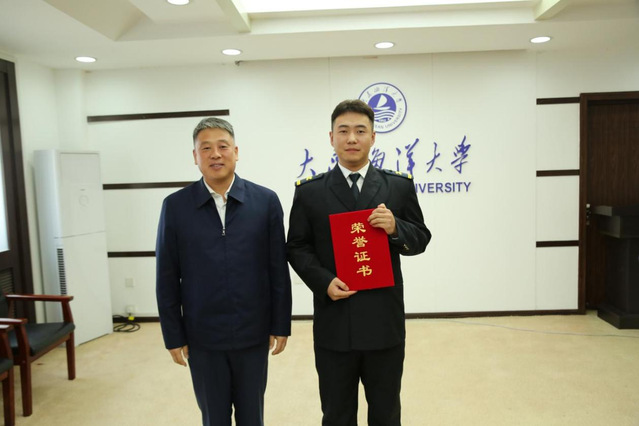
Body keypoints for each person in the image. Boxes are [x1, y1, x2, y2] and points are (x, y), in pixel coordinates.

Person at [286, 100, 431, 425]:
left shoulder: (398, 186)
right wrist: (323, 281)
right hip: (335, 323)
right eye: (344, 131)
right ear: (331, 137)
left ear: (373, 137)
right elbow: (296, 246)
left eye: (360, 131)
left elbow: (421, 237)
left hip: (383, 323)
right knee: (336, 414)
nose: (352, 138)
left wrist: (396, 228)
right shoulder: (310, 192)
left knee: (386, 413)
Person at [156, 117, 292, 426]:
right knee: (213, 418)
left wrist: (280, 323)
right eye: (206, 148)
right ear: (195, 156)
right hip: (203, 336)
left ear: (236, 152)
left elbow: (277, 269)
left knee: (252, 417)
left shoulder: (265, 201)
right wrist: (173, 334)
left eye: (223, 146)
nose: (215, 154)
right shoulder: (175, 206)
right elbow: (166, 276)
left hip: (253, 332)